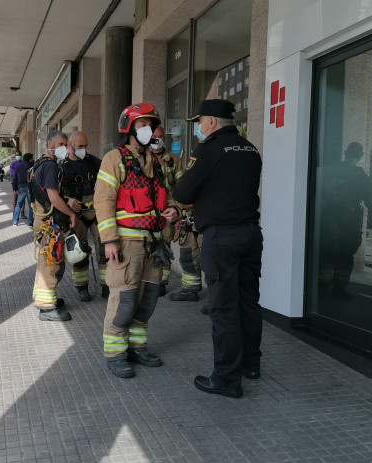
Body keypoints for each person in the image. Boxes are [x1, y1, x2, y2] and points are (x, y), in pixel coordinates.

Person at [175, 99, 263, 398]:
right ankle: (251, 364)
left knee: (223, 307)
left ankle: (226, 379)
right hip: (250, 234)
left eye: (200, 122)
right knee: (248, 301)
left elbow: (183, 191)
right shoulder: (250, 149)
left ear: (212, 121)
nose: (199, 127)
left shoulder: (209, 150)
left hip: (222, 237)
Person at [94, 103, 179, 378]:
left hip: (155, 242)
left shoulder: (158, 160)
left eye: (150, 125)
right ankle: (116, 353)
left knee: (149, 298)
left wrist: (174, 210)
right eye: (141, 125)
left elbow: (170, 193)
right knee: (125, 299)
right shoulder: (114, 158)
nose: (147, 130)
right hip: (127, 242)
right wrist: (109, 240)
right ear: (129, 128)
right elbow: (103, 200)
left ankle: (137, 347)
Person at [29, 131, 77, 321]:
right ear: (49, 143)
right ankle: (46, 307)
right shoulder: (50, 167)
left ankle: (46, 298)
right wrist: (71, 213)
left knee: (47, 260)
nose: (63, 147)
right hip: (50, 222)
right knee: (50, 262)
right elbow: (54, 198)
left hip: (44, 219)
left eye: (65, 144)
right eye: (60, 143)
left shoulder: (40, 164)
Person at [319, 141, 371, 299]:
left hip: (329, 217)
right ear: (360, 155)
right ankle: (338, 288)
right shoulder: (360, 175)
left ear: (346, 153)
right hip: (348, 220)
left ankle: (322, 285)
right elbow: (368, 198)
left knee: (328, 253)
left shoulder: (334, 170)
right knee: (345, 255)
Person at [60, 131, 106, 302]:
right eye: (80, 146)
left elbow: (107, 181)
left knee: (104, 248)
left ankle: (106, 285)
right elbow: (54, 192)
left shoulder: (94, 162)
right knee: (79, 251)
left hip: (96, 211)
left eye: (85, 146)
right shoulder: (62, 166)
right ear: (70, 146)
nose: (84, 149)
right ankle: (82, 288)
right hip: (76, 214)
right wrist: (68, 199)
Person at [150, 127, 193, 300]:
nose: (158, 139)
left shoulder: (174, 160)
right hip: (147, 211)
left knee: (164, 246)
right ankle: (149, 280)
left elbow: (181, 186)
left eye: (161, 136)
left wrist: (178, 209)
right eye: (154, 136)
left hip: (167, 210)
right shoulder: (142, 157)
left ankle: (161, 283)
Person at [12, 153, 34, 227]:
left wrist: (14, 188)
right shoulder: (32, 167)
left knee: (18, 205)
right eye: (31, 158)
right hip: (30, 187)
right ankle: (30, 222)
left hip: (21, 187)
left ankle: (15, 221)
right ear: (30, 159)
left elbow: (14, 178)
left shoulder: (18, 166)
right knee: (31, 205)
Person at [9, 152, 27, 220]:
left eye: (19, 155)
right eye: (17, 155)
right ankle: (15, 213)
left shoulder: (23, 163)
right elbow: (12, 174)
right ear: (15, 156)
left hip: (22, 183)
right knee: (16, 198)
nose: (18, 156)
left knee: (23, 199)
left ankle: (22, 213)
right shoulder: (13, 164)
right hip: (16, 183)